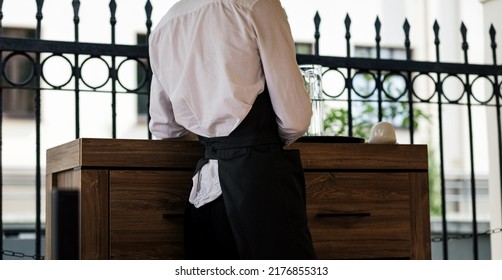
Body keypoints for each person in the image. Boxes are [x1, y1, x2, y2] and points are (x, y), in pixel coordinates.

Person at [148, 0, 315, 260]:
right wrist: (255, 139)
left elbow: (165, 128)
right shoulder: (257, 4)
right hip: (259, 179)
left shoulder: (165, 25)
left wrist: (214, 131)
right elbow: (295, 118)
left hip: (203, 189)